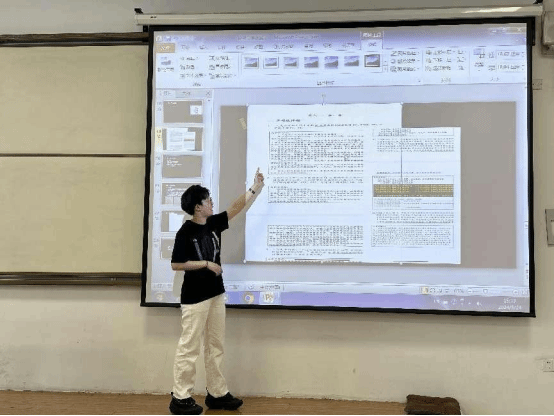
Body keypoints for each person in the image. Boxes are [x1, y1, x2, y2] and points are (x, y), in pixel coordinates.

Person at [169, 169, 265, 416]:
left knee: (215, 345)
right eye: (207, 200)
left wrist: (255, 187)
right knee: (189, 346)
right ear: (197, 207)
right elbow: (176, 264)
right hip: (195, 298)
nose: (211, 202)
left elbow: (234, 208)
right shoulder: (185, 232)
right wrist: (206, 264)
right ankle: (180, 397)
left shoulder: (212, 224)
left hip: (216, 293)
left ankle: (217, 393)